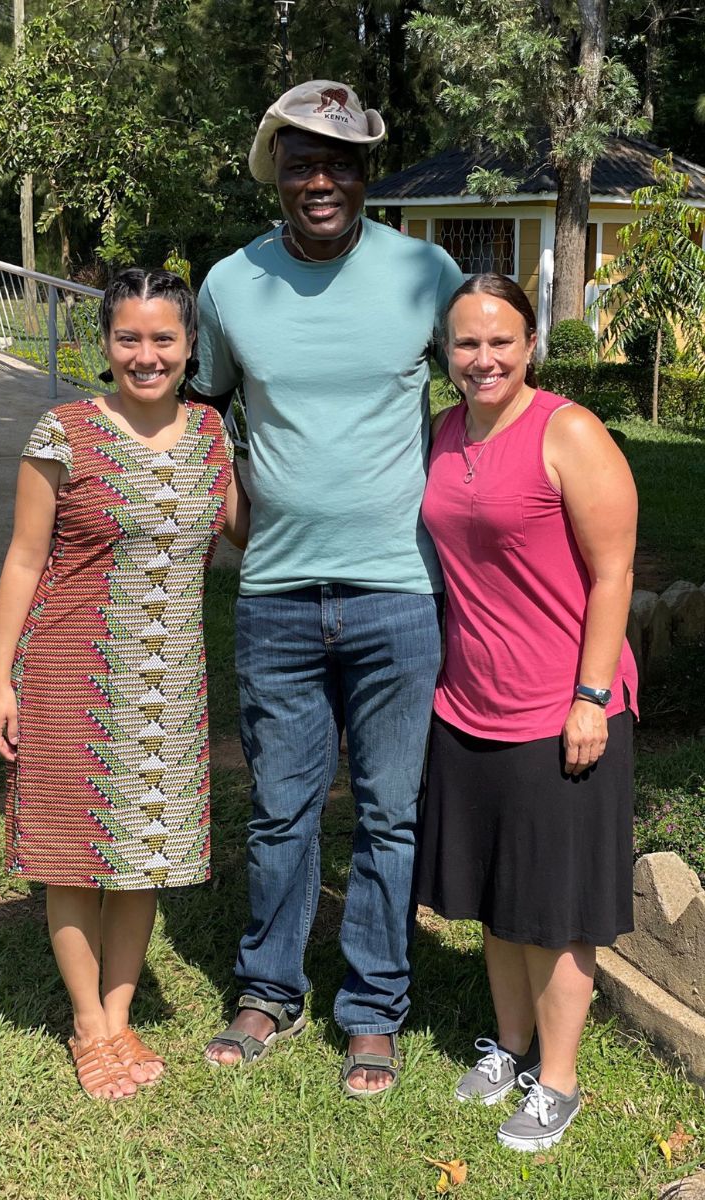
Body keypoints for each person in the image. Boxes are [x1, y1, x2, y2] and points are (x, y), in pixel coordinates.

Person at [187, 80, 463, 1096]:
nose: (321, 179)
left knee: (390, 814)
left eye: (341, 161)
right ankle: (267, 991)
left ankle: (373, 1012)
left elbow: (488, 391)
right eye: (302, 159)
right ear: (274, 167)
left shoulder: (422, 272)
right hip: (274, 598)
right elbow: (206, 412)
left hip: (399, 593)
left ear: (363, 175)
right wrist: (232, 518)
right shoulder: (227, 284)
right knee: (281, 811)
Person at [0, 268, 248, 1100]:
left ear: (190, 346)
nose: (146, 355)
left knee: (143, 856)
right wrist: (0, 679)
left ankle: (121, 1014)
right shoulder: (62, 432)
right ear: (105, 344)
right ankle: (89, 1028)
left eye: (163, 338)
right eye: (128, 338)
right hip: (70, 673)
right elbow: (25, 559)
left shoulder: (212, 433)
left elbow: (247, 532)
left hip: (170, 682)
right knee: (72, 858)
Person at [418, 273, 638, 1149]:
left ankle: (559, 1080)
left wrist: (590, 697)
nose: (483, 359)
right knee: (496, 897)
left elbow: (616, 571)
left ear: (531, 343)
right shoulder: (442, 433)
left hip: (561, 707)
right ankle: (509, 1047)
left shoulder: (568, 431)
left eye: (500, 341)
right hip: (469, 701)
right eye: (467, 343)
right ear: (447, 352)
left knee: (553, 909)